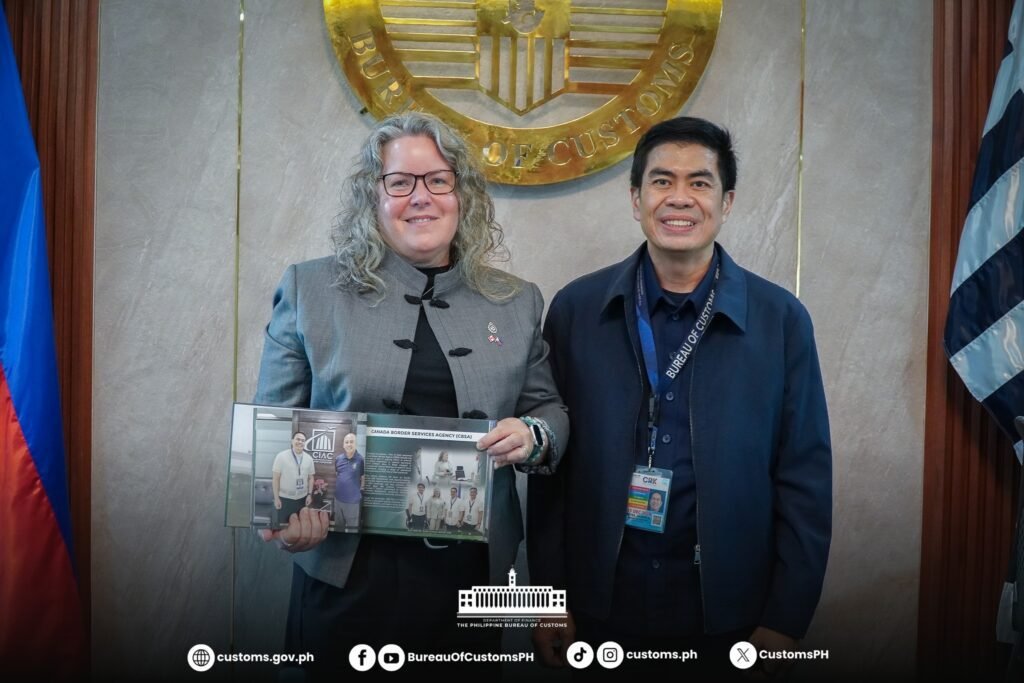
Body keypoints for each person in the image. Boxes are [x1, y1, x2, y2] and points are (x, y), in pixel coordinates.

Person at [253, 111, 568, 675]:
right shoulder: (311, 289)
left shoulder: (515, 302)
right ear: (373, 198)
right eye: (400, 182)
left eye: (438, 180)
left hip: (470, 579)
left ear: (462, 195)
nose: (420, 197)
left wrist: (534, 434)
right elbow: (274, 428)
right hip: (346, 575)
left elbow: (547, 409)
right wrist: (289, 518)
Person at [529, 117, 832, 677]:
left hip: (731, 617)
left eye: (700, 182)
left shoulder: (780, 320)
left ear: (727, 201)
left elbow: (805, 478)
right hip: (598, 611)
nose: (680, 198)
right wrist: (545, 598)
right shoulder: (576, 311)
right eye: (662, 181)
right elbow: (551, 473)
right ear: (636, 199)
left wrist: (786, 618)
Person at [271, 431, 314, 527]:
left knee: (299, 527)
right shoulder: (281, 456)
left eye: (303, 440)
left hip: (302, 499)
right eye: (298, 439)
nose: (300, 442)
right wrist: (276, 498)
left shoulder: (309, 459)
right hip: (285, 499)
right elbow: (275, 478)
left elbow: (311, 478)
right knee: (284, 527)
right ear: (292, 441)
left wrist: (309, 494)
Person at [334, 432, 364, 530]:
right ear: (343, 445)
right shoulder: (338, 459)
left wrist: (359, 492)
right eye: (346, 442)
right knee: (338, 528)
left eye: (351, 442)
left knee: (352, 529)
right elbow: (337, 474)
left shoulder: (360, 460)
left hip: (352, 503)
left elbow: (363, 478)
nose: (349, 444)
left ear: (355, 444)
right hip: (338, 500)